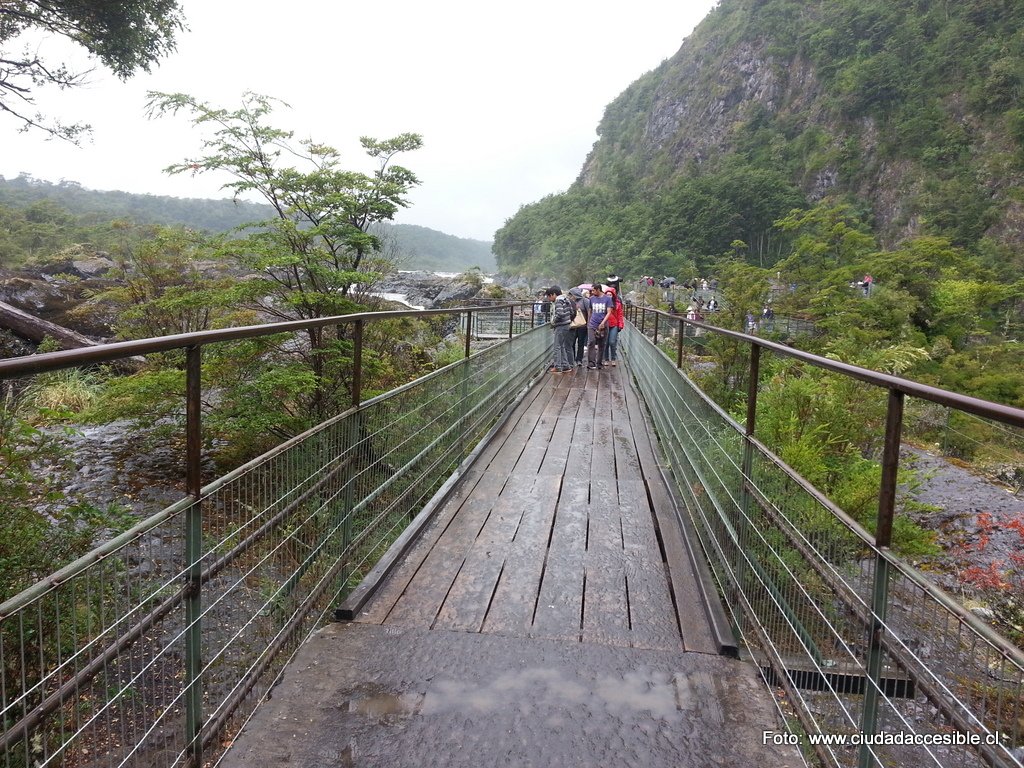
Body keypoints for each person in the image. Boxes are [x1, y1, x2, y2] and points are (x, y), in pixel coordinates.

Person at [546, 286, 575, 372]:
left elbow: (559, 314)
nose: (549, 298)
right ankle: (566, 366)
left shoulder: (558, 301)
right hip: (567, 325)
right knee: (562, 346)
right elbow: (572, 311)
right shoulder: (566, 299)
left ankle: (558, 366)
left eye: (549, 296)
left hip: (560, 326)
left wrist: (553, 322)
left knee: (557, 347)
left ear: (554, 294)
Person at [586, 283, 612, 369]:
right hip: (592, 324)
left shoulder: (607, 299)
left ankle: (599, 362)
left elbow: (609, 312)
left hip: (603, 324)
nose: (592, 292)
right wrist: (589, 321)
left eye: (593, 290)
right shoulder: (592, 299)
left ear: (598, 290)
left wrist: (603, 323)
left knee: (602, 344)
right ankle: (591, 362)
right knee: (591, 342)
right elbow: (590, 310)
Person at [602, 285, 624, 366]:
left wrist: (620, 325)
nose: (609, 296)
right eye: (607, 295)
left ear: (613, 295)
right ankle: (606, 359)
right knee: (606, 343)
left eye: (610, 295)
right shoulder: (603, 304)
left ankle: (613, 358)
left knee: (612, 341)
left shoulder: (617, 304)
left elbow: (620, 315)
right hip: (605, 325)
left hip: (614, 325)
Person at [569, 286, 591, 366]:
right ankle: (572, 358)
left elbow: (589, 312)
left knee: (581, 343)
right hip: (573, 325)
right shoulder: (570, 301)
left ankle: (579, 359)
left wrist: (588, 323)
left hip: (582, 325)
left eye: (572, 294)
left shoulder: (585, 301)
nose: (571, 296)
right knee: (572, 343)